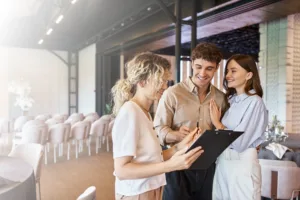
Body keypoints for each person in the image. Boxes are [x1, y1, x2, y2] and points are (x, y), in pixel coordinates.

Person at [111, 52, 204, 200]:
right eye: (160, 81)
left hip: (151, 190)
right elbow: (122, 170)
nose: (165, 86)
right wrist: (171, 166)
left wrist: (181, 147)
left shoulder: (145, 113)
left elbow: (151, 157)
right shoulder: (130, 112)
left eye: (165, 81)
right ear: (142, 82)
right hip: (136, 194)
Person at [154, 42, 228, 200]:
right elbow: (159, 130)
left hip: (208, 166)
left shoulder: (221, 98)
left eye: (209, 68)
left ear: (216, 68)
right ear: (192, 64)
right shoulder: (172, 94)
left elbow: (223, 133)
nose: (203, 73)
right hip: (178, 165)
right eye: (199, 66)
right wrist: (176, 135)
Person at [209, 54, 268, 200]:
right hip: (223, 162)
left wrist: (218, 124)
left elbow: (240, 143)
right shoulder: (231, 100)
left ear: (248, 74)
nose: (228, 75)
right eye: (227, 71)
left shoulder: (255, 102)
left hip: (242, 165)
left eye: (233, 71)